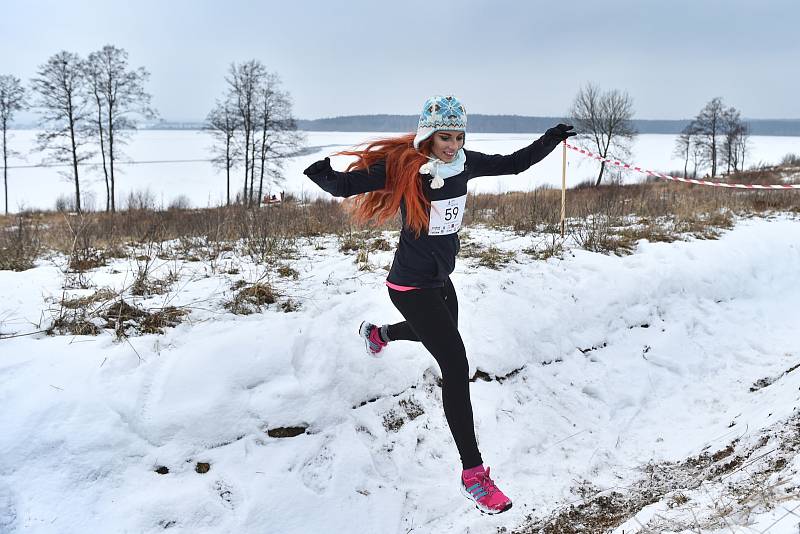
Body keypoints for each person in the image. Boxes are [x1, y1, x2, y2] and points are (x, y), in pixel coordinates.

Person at [303, 95, 575, 515]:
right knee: (454, 363)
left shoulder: (465, 164)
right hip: (409, 287)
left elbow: (513, 163)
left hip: (440, 281)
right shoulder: (405, 169)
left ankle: (378, 334)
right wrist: (321, 172)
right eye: (445, 136)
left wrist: (550, 139)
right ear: (428, 135)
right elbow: (344, 186)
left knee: (436, 336)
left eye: (459, 135)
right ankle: (474, 475)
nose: (453, 144)